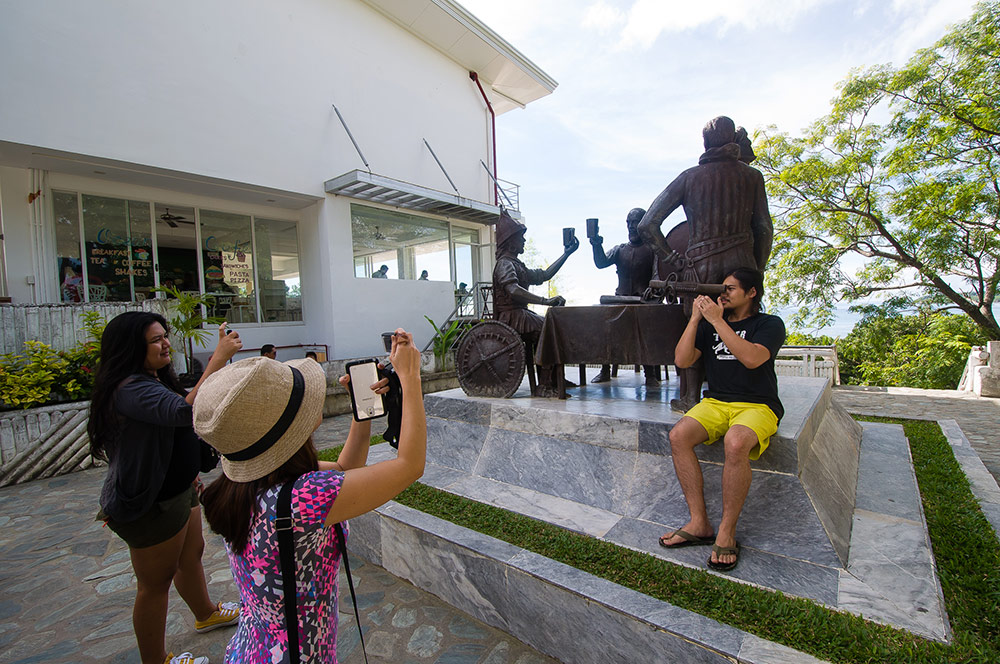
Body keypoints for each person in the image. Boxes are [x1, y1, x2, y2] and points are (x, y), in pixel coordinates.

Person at [196, 329, 427, 663]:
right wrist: (411, 377)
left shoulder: (250, 481)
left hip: (253, 648)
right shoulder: (304, 498)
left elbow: (345, 467)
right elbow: (409, 466)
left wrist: (359, 410)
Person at [89, 313, 244, 664]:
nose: (166, 344)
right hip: (151, 502)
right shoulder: (129, 388)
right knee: (155, 585)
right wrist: (217, 359)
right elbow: (182, 412)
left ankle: (205, 612)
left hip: (178, 488)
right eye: (156, 340)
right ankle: (155, 660)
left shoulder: (152, 378)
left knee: (191, 555)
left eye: (165, 336)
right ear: (130, 347)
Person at [638, 116, 774, 411]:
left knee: (697, 327)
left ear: (705, 143)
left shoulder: (689, 177)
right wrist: (757, 269)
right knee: (742, 327)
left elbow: (648, 224)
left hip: (699, 268)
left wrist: (670, 257)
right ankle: (738, 391)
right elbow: (763, 228)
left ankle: (689, 397)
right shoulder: (752, 177)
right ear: (732, 141)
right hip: (742, 266)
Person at [657, 268, 785, 573]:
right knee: (678, 436)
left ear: (752, 292)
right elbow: (682, 360)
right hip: (716, 402)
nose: (723, 294)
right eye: (721, 289)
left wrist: (716, 320)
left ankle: (727, 531)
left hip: (758, 405)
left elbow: (753, 358)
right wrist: (695, 319)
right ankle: (699, 522)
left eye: (730, 289)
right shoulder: (710, 323)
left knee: (736, 441)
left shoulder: (769, 324)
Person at [492, 209, 578, 397]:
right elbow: (513, 290)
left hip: (521, 314)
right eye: (520, 238)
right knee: (545, 329)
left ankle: (555, 378)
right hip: (511, 317)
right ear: (510, 242)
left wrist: (567, 254)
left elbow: (544, 275)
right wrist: (545, 301)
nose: (523, 241)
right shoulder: (505, 264)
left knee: (553, 326)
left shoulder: (516, 264)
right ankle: (544, 385)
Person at [590, 207, 661, 385]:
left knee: (644, 329)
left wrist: (653, 287)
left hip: (643, 303)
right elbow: (600, 263)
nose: (631, 226)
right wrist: (596, 243)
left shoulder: (653, 250)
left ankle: (650, 373)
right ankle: (605, 369)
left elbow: (658, 274)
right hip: (620, 300)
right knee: (605, 325)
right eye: (628, 222)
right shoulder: (620, 249)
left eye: (635, 222)